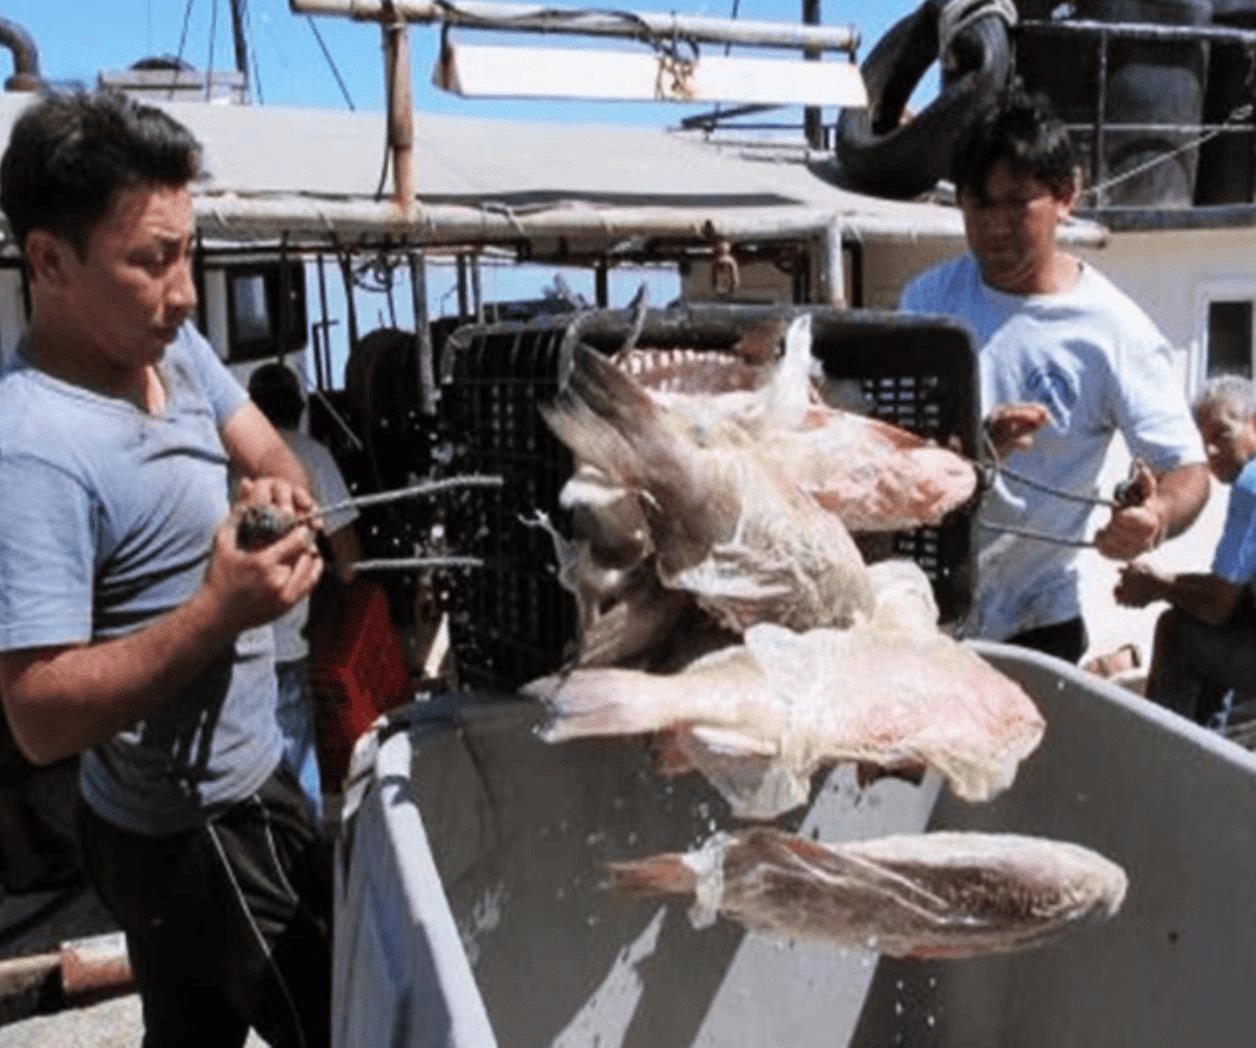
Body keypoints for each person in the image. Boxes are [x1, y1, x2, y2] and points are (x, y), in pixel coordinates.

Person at [0, 90, 331, 1048]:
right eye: (152, 260)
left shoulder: (172, 344)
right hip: (198, 824)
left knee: (190, 1034)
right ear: (51, 261)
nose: (185, 291)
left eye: (187, 252)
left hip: (230, 782)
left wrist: (276, 499)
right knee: (351, 1017)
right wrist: (220, 610)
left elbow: (269, 453)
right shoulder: (34, 449)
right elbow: (36, 711)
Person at [898, 83, 1209, 664]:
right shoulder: (925, 302)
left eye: (1017, 203)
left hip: (1037, 623)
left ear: (1066, 195)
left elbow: (1190, 471)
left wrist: (1155, 516)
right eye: (978, 203)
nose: (994, 225)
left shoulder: (1114, 329)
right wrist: (976, 451)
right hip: (923, 612)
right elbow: (891, 455)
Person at [248, 362, 361, 821]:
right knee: (297, 763)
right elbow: (350, 562)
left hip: (225, 641)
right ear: (299, 407)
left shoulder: (226, 458)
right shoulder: (311, 456)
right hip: (283, 647)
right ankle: (303, 863)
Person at [1115, 375, 1256, 725]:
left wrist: (1156, 585)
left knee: (1178, 631)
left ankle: (1163, 760)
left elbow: (1217, 603)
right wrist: (1161, 582)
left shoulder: (1251, 484)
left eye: (1221, 434)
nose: (1210, 451)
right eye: (1202, 440)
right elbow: (1232, 594)